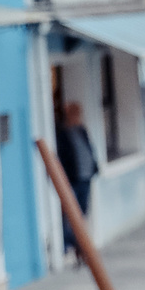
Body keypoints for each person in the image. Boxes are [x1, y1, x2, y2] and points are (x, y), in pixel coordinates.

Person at [54, 101, 99, 253]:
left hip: (85, 176)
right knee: (71, 212)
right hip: (73, 178)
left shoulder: (81, 130)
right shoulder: (62, 133)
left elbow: (89, 149)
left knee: (83, 210)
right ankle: (69, 242)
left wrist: (94, 167)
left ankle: (80, 242)